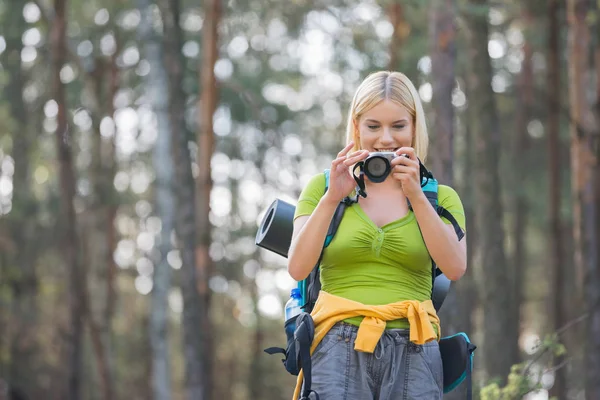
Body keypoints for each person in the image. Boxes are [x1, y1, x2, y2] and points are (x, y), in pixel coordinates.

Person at [287, 71, 467, 400]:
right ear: (356, 127)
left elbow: (455, 268)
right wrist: (331, 198)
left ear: (414, 127)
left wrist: (415, 194)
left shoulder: (440, 198)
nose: (385, 139)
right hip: (335, 344)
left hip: (415, 344)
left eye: (398, 126)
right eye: (373, 126)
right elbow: (297, 267)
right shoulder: (323, 187)